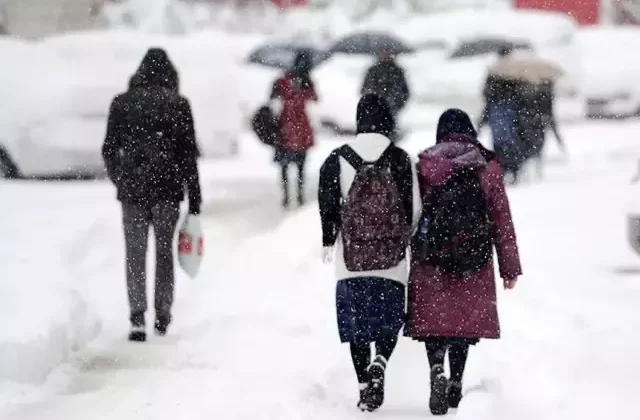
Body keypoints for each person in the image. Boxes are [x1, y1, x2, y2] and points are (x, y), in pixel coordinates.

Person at [406, 109, 522, 415]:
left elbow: (413, 215)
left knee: (435, 324)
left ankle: (436, 369)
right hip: (474, 257)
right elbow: (501, 220)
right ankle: (456, 381)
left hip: (432, 259)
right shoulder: (486, 164)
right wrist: (509, 268)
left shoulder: (426, 164)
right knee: (461, 324)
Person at [318, 94, 421, 412]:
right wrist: (403, 238)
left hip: (351, 260)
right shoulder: (401, 158)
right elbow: (414, 210)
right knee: (389, 320)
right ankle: (381, 361)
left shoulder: (337, 158)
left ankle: (365, 386)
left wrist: (328, 239)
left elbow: (327, 205)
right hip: (391, 260)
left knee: (357, 326)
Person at [102, 48, 202, 342]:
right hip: (167, 191)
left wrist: (120, 178)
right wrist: (194, 196)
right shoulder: (178, 104)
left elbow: (108, 148)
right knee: (163, 253)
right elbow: (188, 156)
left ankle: (136, 317)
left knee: (135, 253)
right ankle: (162, 314)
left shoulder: (121, 104)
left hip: (132, 192)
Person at [270, 49, 318, 208]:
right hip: (298, 126)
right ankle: (298, 195)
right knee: (299, 164)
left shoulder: (284, 80)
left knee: (286, 165)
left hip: (286, 126)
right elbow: (314, 98)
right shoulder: (304, 81)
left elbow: (273, 98)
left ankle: (287, 195)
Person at [478, 46, 524, 185]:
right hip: (509, 111)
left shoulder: (494, 71)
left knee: (499, 142)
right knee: (510, 140)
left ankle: (502, 169)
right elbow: (520, 94)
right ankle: (512, 169)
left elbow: (486, 92)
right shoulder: (515, 71)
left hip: (497, 111)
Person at [517, 79, 566, 179]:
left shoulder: (529, 89)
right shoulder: (545, 92)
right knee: (538, 147)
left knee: (529, 147)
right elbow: (549, 112)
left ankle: (530, 170)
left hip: (530, 123)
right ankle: (536, 170)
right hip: (539, 124)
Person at [361, 49, 411, 140]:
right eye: (383, 52)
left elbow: (405, 91)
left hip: (392, 108)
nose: (386, 55)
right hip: (375, 111)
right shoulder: (373, 71)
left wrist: (397, 104)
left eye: (389, 52)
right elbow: (365, 89)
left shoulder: (397, 71)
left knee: (390, 134)